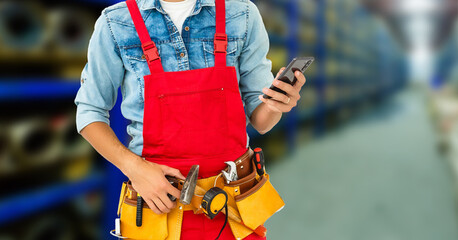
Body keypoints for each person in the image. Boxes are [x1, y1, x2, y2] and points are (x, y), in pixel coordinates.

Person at [74, 0, 304, 239]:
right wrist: (134, 168)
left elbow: (262, 121)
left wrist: (277, 103)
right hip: (159, 204)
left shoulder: (241, 14)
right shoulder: (117, 22)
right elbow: (89, 111)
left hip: (233, 207)